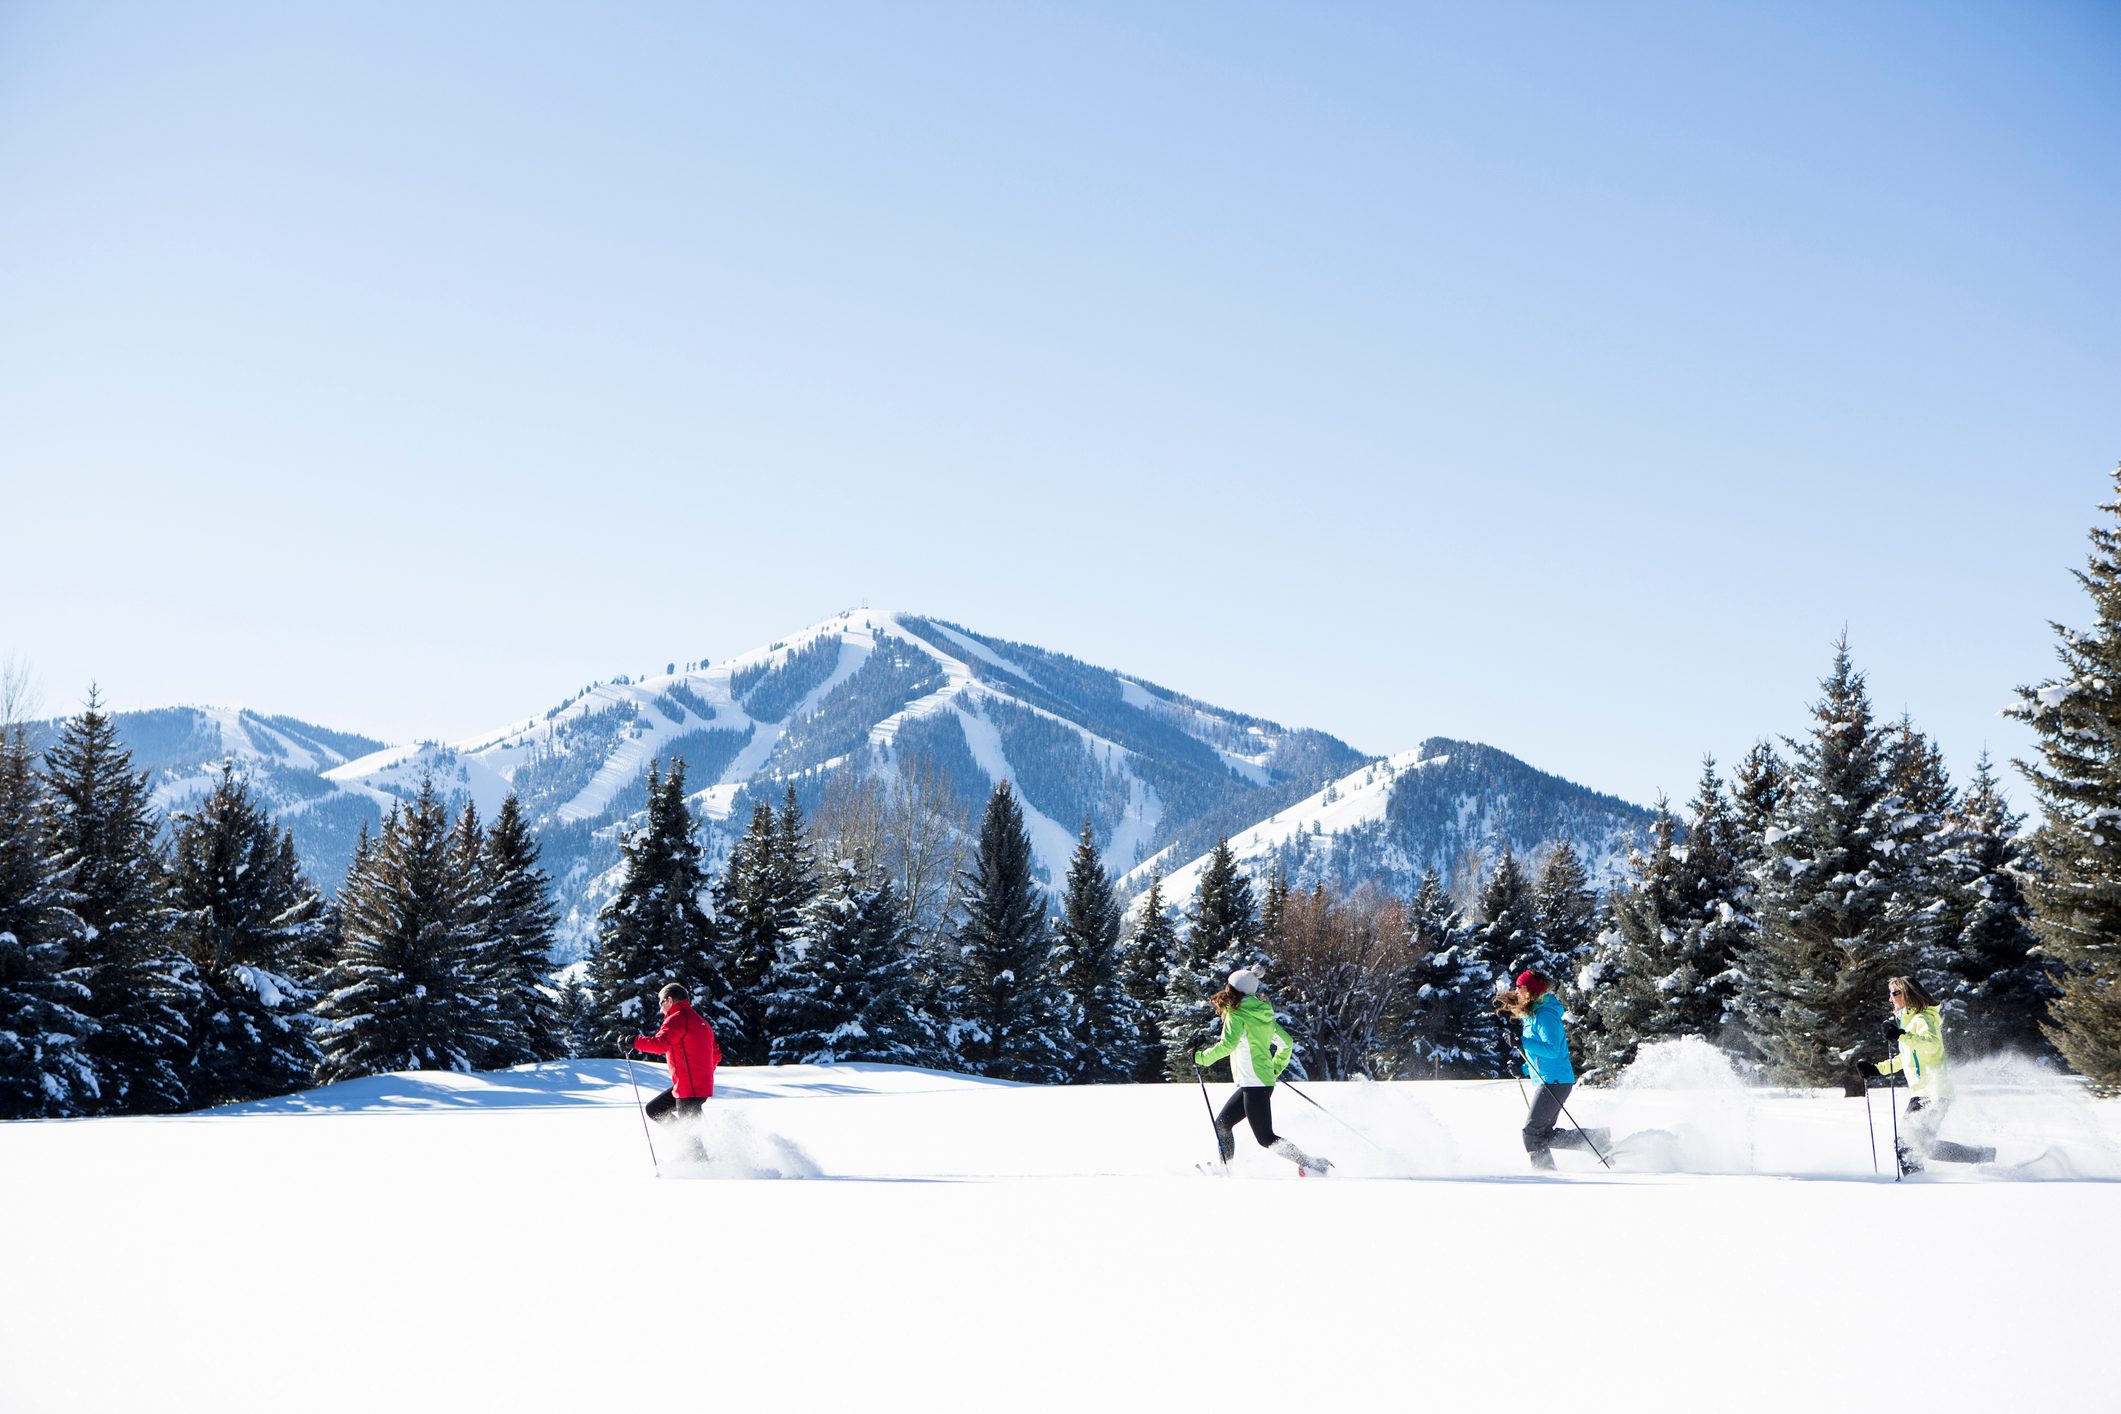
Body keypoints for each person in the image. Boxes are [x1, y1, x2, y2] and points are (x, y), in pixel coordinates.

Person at [1193, 968, 1332, 1176]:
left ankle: (1312, 1164)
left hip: (1254, 1084)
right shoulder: (1264, 1013)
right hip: (1256, 1082)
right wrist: (1274, 1067)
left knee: (1265, 1137)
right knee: (1222, 1124)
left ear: (1231, 989)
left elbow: (1227, 1046)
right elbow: (1286, 1043)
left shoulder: (1237, 1015)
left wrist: (1200, 1058)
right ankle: (1226, 1169)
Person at [1851, 974, 1994, 1174]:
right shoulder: (1909, 1023)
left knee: (1906, 1143)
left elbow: (1932, 1044)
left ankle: (1917, 1184)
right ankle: (1981, 1155)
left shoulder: (1923, 1018)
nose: (1890, 998)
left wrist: (1902, 1036)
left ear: (1908, 994)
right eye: (1890, 994)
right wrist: (1876, 1069)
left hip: (1934, 1091)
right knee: (1921, 1144)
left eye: (1895, 993)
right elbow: (1905, 1058)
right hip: (1925, 1092)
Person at [1497, 969, 1606, 1170]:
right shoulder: (1533, 1015)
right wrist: (1523, 1069)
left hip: (1555, 1081)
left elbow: (1553, 1050)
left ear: (1531, 991)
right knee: (1542, 1134)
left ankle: (1545, 1176)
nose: (1516, 991)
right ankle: (1593, 1138)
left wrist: (1522, 1042)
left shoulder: (1546, 1015)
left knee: (1531, 1134)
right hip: (1550, 1079)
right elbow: (1539, 1056)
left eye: (1520, 987)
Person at [632, 982, 720, 1163]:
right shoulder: (700, 1020)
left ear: (670, 1000)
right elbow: (716, 1054)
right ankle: (692, 1151)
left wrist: (633, 1042)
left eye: (661, 1002)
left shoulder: (678, 1018)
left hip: (689, 1087)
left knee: (690, 1136)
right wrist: (702, 1073)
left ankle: (701, 1169)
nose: (660, 1008)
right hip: (693, 1086)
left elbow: (660, 1044)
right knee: (655, 1109)